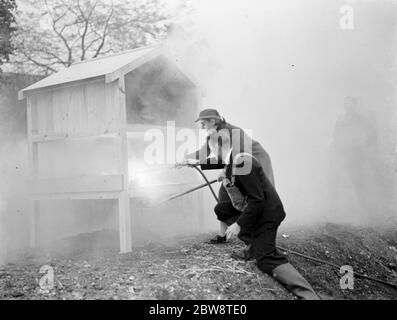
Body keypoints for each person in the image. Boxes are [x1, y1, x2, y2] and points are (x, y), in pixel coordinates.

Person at [213, 130, 319, 300]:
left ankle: (308, 295)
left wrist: (239, 224)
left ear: (220, 147)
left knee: (266, 259)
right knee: (222, 209)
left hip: (267, 213)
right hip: (256, 208)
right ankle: (254, 245)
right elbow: (240, 191)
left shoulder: (241, 163)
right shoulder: (234, 160)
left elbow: (257, 201)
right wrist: (225, 175)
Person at [177, 108, 275, 247]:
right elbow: (203, 153)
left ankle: (260, 237)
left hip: (255, 162)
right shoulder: (213, 135)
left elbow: (240, 157)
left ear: (213, 121)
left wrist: (224, 171)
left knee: (257, 197)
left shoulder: (235, 133)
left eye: (203, 123)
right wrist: (185, 159)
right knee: (224, 193)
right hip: (237, 164)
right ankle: (222, 236)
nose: (202, 126)